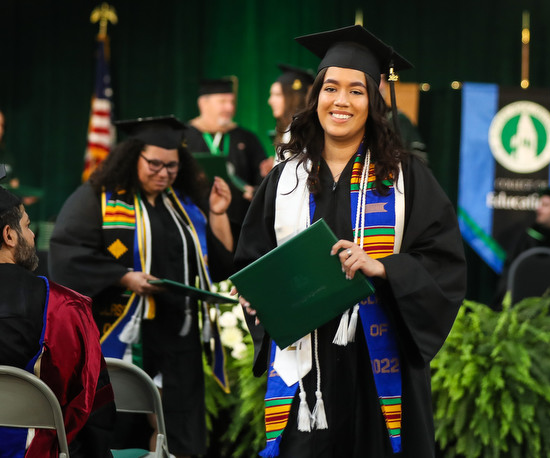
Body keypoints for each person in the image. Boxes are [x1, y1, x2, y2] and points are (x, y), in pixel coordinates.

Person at [234, 25, 466, 458]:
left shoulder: (405, 176)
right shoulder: (286, 179)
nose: (341, 101)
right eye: (331, 88)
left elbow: (444, 261)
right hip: (308, 374)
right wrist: (256, 298)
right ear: (316, 96)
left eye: (356, 91)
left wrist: (386, 268)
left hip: (377, 364)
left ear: (374, 102)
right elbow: (254, 257)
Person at [48, 116, 233, 458]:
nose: (164, 173)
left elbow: (220, 264)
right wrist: (124, 277)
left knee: (179, 429)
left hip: (178, 334)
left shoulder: (184, 206)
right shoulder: (98, 200)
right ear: (133, 157)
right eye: (155, 164)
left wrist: (218, 214)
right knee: (121, 427)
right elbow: (67, 252)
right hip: (122, 332)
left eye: (173, 166)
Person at [0, 183, 115, 458]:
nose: (31, 234)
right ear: (9, 235)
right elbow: (93, 407)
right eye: (27, 226)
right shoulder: (64, 306)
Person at [185, 77, 269, 231]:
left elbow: (260, 179)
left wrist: (266, 175)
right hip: (195, 221)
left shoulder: (246, 138)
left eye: (231, 102)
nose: (229, 108)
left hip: (239, 222)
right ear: (203, 104)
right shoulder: (185, 137)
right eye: (223, 102)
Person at [492, 187, 550, 308]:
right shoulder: (527, 237)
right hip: (523, 307)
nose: (538, 209)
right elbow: (510, 273)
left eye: (546, 205)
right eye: (540, 204)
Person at [268, 63, 315, 152]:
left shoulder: (302, 133)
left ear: (294, 98)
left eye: (278, 95)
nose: (270, 101)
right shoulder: (288, 130)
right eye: (271, 95)